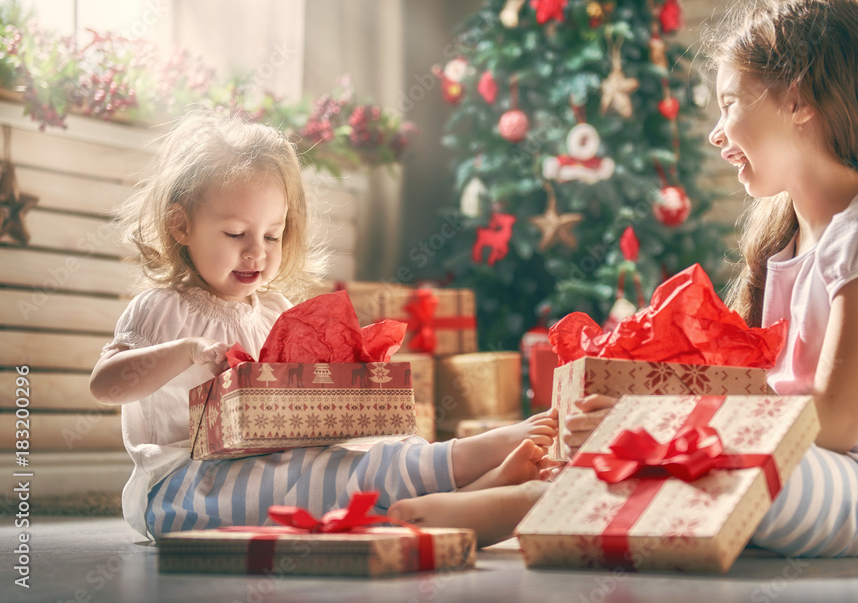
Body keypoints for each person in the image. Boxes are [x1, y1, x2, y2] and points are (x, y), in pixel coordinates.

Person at [393, 0, 858, 555]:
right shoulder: (790, 243)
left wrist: (658, 425)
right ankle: (546, 496)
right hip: (809, 465)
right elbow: (762, 401)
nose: (717, 133)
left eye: (729, 103)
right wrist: (640, 420)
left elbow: (839, 423)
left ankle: (527, 506)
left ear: (798, 99)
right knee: (692, 455)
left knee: (714, 461)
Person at [90, 111, 556, 541]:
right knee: (305, 482)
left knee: (363, 454)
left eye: (272, 235)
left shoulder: (274, 310)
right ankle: (462, 472)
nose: (257, 251)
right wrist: (184, 351)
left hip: (269, 459)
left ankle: (458, 493)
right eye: (236, 234)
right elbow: (106, 385)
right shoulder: (161, 307)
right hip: (182, 484)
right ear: (180, 225)